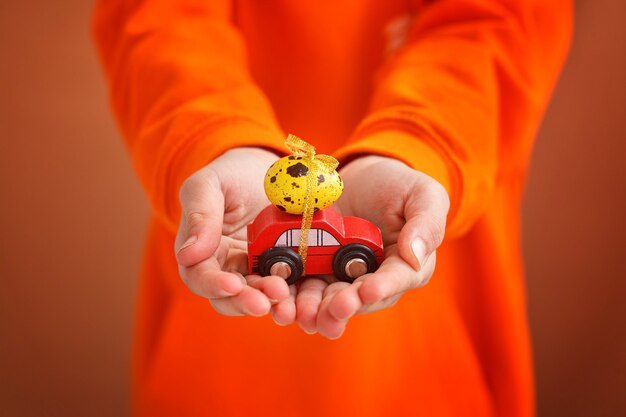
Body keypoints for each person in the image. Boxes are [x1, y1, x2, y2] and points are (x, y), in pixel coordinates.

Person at [93, 1, 572, 416]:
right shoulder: (275, 235)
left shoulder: (343, 231)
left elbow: (501, 20)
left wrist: (415, 143)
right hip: (219, 309)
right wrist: (215, 137)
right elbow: (160, 17)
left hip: (438, 327)